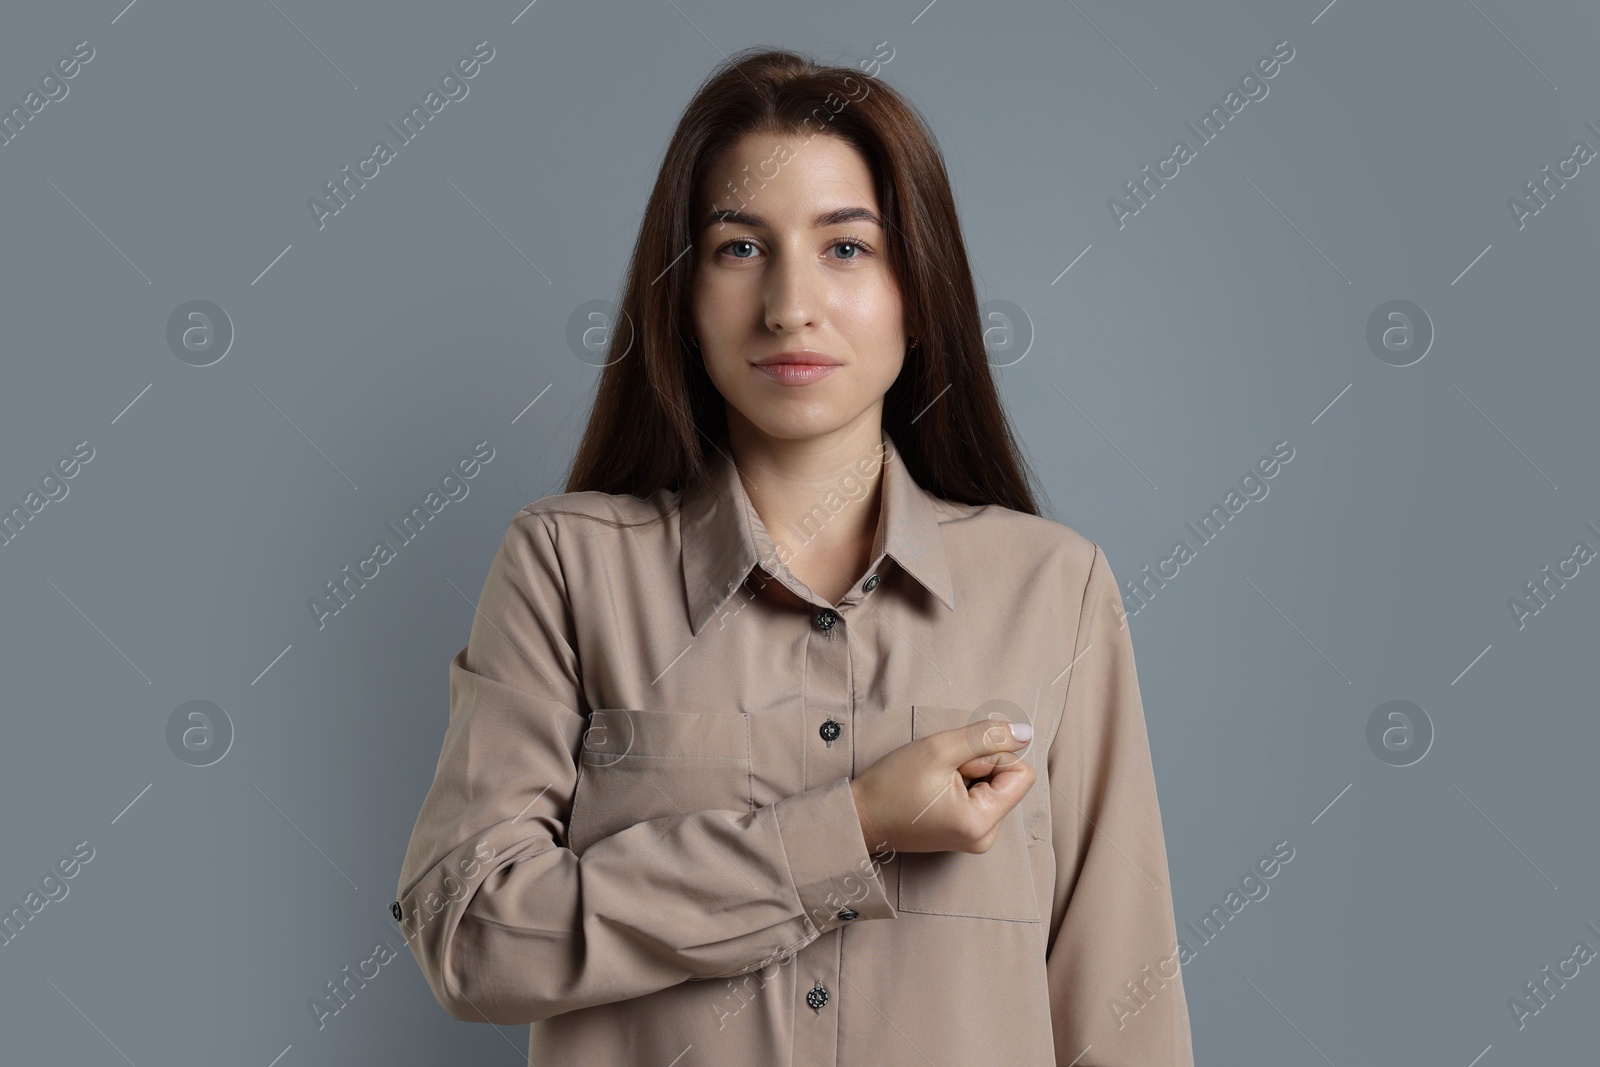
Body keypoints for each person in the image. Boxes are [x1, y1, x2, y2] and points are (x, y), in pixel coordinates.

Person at [395, 46, 1194, 1066]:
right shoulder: (564, 568)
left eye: (846, 248)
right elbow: (468, 937)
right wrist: (848, 824)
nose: (788, 305)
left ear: (921, 286)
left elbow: (1124, 1016)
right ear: (681, 293)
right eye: (739, 248)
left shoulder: (1055, 590)